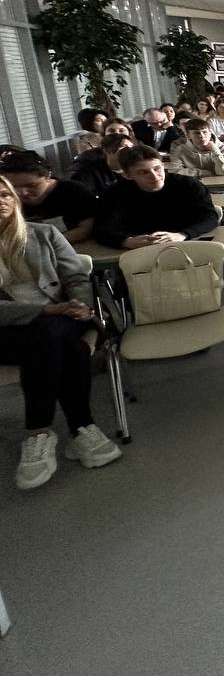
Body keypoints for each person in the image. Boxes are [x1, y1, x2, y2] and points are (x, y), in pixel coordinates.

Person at [0, 176, 122, 491]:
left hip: (63, 316)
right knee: (69, 346)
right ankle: (81, 428)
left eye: (5, 195)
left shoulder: (44, 234)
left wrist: (80, 305)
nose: (1, 202)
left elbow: (76, 277)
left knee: (47, 337)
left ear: (15, 200)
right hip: (9, 328)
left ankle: (38, 433)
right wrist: (49, 310)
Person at [94, 145, 219, 249]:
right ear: (127, 175)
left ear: (163, 166)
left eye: (157, 168)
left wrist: (182, 235)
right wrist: (125, 241)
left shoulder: (189, 185)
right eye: (143, 172)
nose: (154, 176)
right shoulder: (114, 193)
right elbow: (101, 229)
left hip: (186, 242)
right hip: (139, 249)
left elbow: (210, 217)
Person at [0, 150, 96, 244]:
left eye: (31, 185)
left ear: (47, 176)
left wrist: (46, 244)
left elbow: (86, 229)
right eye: (13, 187)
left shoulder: (73, 190)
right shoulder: (6, 198)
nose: (22, 193)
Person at [69, 133, 134, 197]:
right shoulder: (87, 170)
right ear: (106, 151)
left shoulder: (133, 169)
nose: (129, 153)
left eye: (132, 148)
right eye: (124, 148)